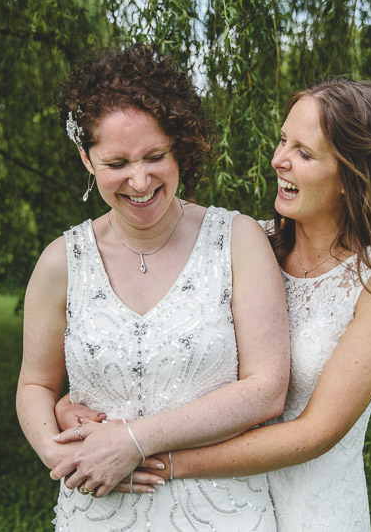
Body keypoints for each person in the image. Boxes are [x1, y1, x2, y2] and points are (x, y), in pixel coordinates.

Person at [55, 78, 371, 531]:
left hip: (309, 507)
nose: (278, 160)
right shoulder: (248, 244)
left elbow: (317, 432)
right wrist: (76, 405)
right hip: (227, 504)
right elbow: (168, 356)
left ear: (352, 177)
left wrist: (162, 460)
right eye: (282, 140)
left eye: (304, 154)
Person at [16, 43, 290, 530]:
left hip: (220, 513)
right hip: (98, 509)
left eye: (155, 156)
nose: (139, 181)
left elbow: (267, 389)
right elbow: (36, 384)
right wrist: (59, 455)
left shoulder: (237, 240)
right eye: (116, 163)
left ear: (179, 145)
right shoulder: (63, 261)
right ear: (86, 159)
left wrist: (134, 441)